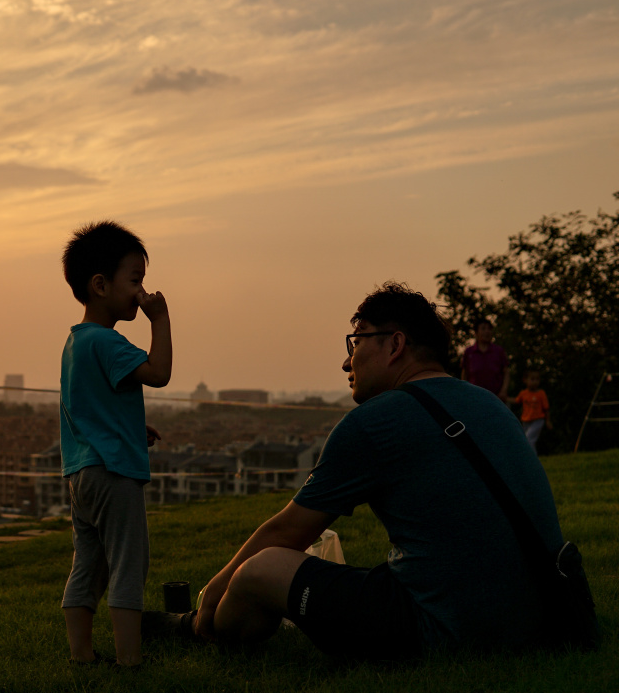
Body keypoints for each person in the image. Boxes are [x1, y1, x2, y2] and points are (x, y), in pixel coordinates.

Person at [144, 282, 563, 659]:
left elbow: (287, 533)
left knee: (263, 567)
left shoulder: (377, 420)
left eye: (355, 343)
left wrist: (212, 595)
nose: (347, 363)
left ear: (394, 344)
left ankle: (195, 628)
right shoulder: (490, 405)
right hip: (542, 619)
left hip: (448, 628)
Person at [59, 221, 172, 667]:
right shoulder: (109, 342)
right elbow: (158, 373)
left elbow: (90, 408)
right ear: (100, 285)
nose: (140, 292)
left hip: (81, 473)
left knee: (88, 563)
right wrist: (160, 320)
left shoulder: (76, 343)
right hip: (114, 473)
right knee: (128, 563)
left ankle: (81, 656)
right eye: (135, 281)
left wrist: (133, 430)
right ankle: (130, 660)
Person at [461, 319, 509, 400]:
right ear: (476, 333)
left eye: (489, 329)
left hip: (496, 399)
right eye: (483, 328)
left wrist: (503, 391)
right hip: (474, 398)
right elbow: (464, 373)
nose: (487, 331)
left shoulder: (498, 351)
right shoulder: (469, 352)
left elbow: (506, 372)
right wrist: (465, 391)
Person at [513, 370, 551, 454]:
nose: (535, 382)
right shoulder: (523, 393)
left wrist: (548, 421)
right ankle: (527, 458)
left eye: (537, 379)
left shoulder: (541, 394)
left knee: (529, 439)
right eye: (532, 379)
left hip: (538, 420)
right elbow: (516, 401)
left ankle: (533, 460)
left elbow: (546, 408)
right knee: (526, 440)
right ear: (525, 380)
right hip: (525, 421)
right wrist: (501, 398)